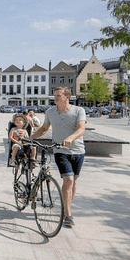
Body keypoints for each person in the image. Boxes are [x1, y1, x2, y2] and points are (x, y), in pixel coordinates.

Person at [31, 87, 86, 228]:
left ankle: (66, 206)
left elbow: (81, 129)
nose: (55, 98)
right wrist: (30, 138)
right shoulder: (50, 112)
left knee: (73, 182)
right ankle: (68, 214)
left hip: (78, 150)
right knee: (68, 180)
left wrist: (71, 138)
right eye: (55, 95)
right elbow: (44, 128)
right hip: (60, 150)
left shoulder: (79, 111)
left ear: (67, 97)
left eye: (59, 95)